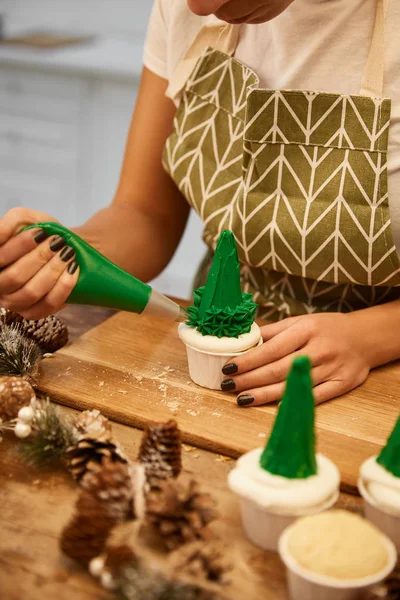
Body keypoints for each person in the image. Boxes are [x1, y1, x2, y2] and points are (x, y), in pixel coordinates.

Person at [1, 0, 399, 408]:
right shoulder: (183, 9)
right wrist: (68, 258)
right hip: (210, 368)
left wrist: (371, 336)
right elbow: (146, 214)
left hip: (376, 385)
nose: (199, 5)